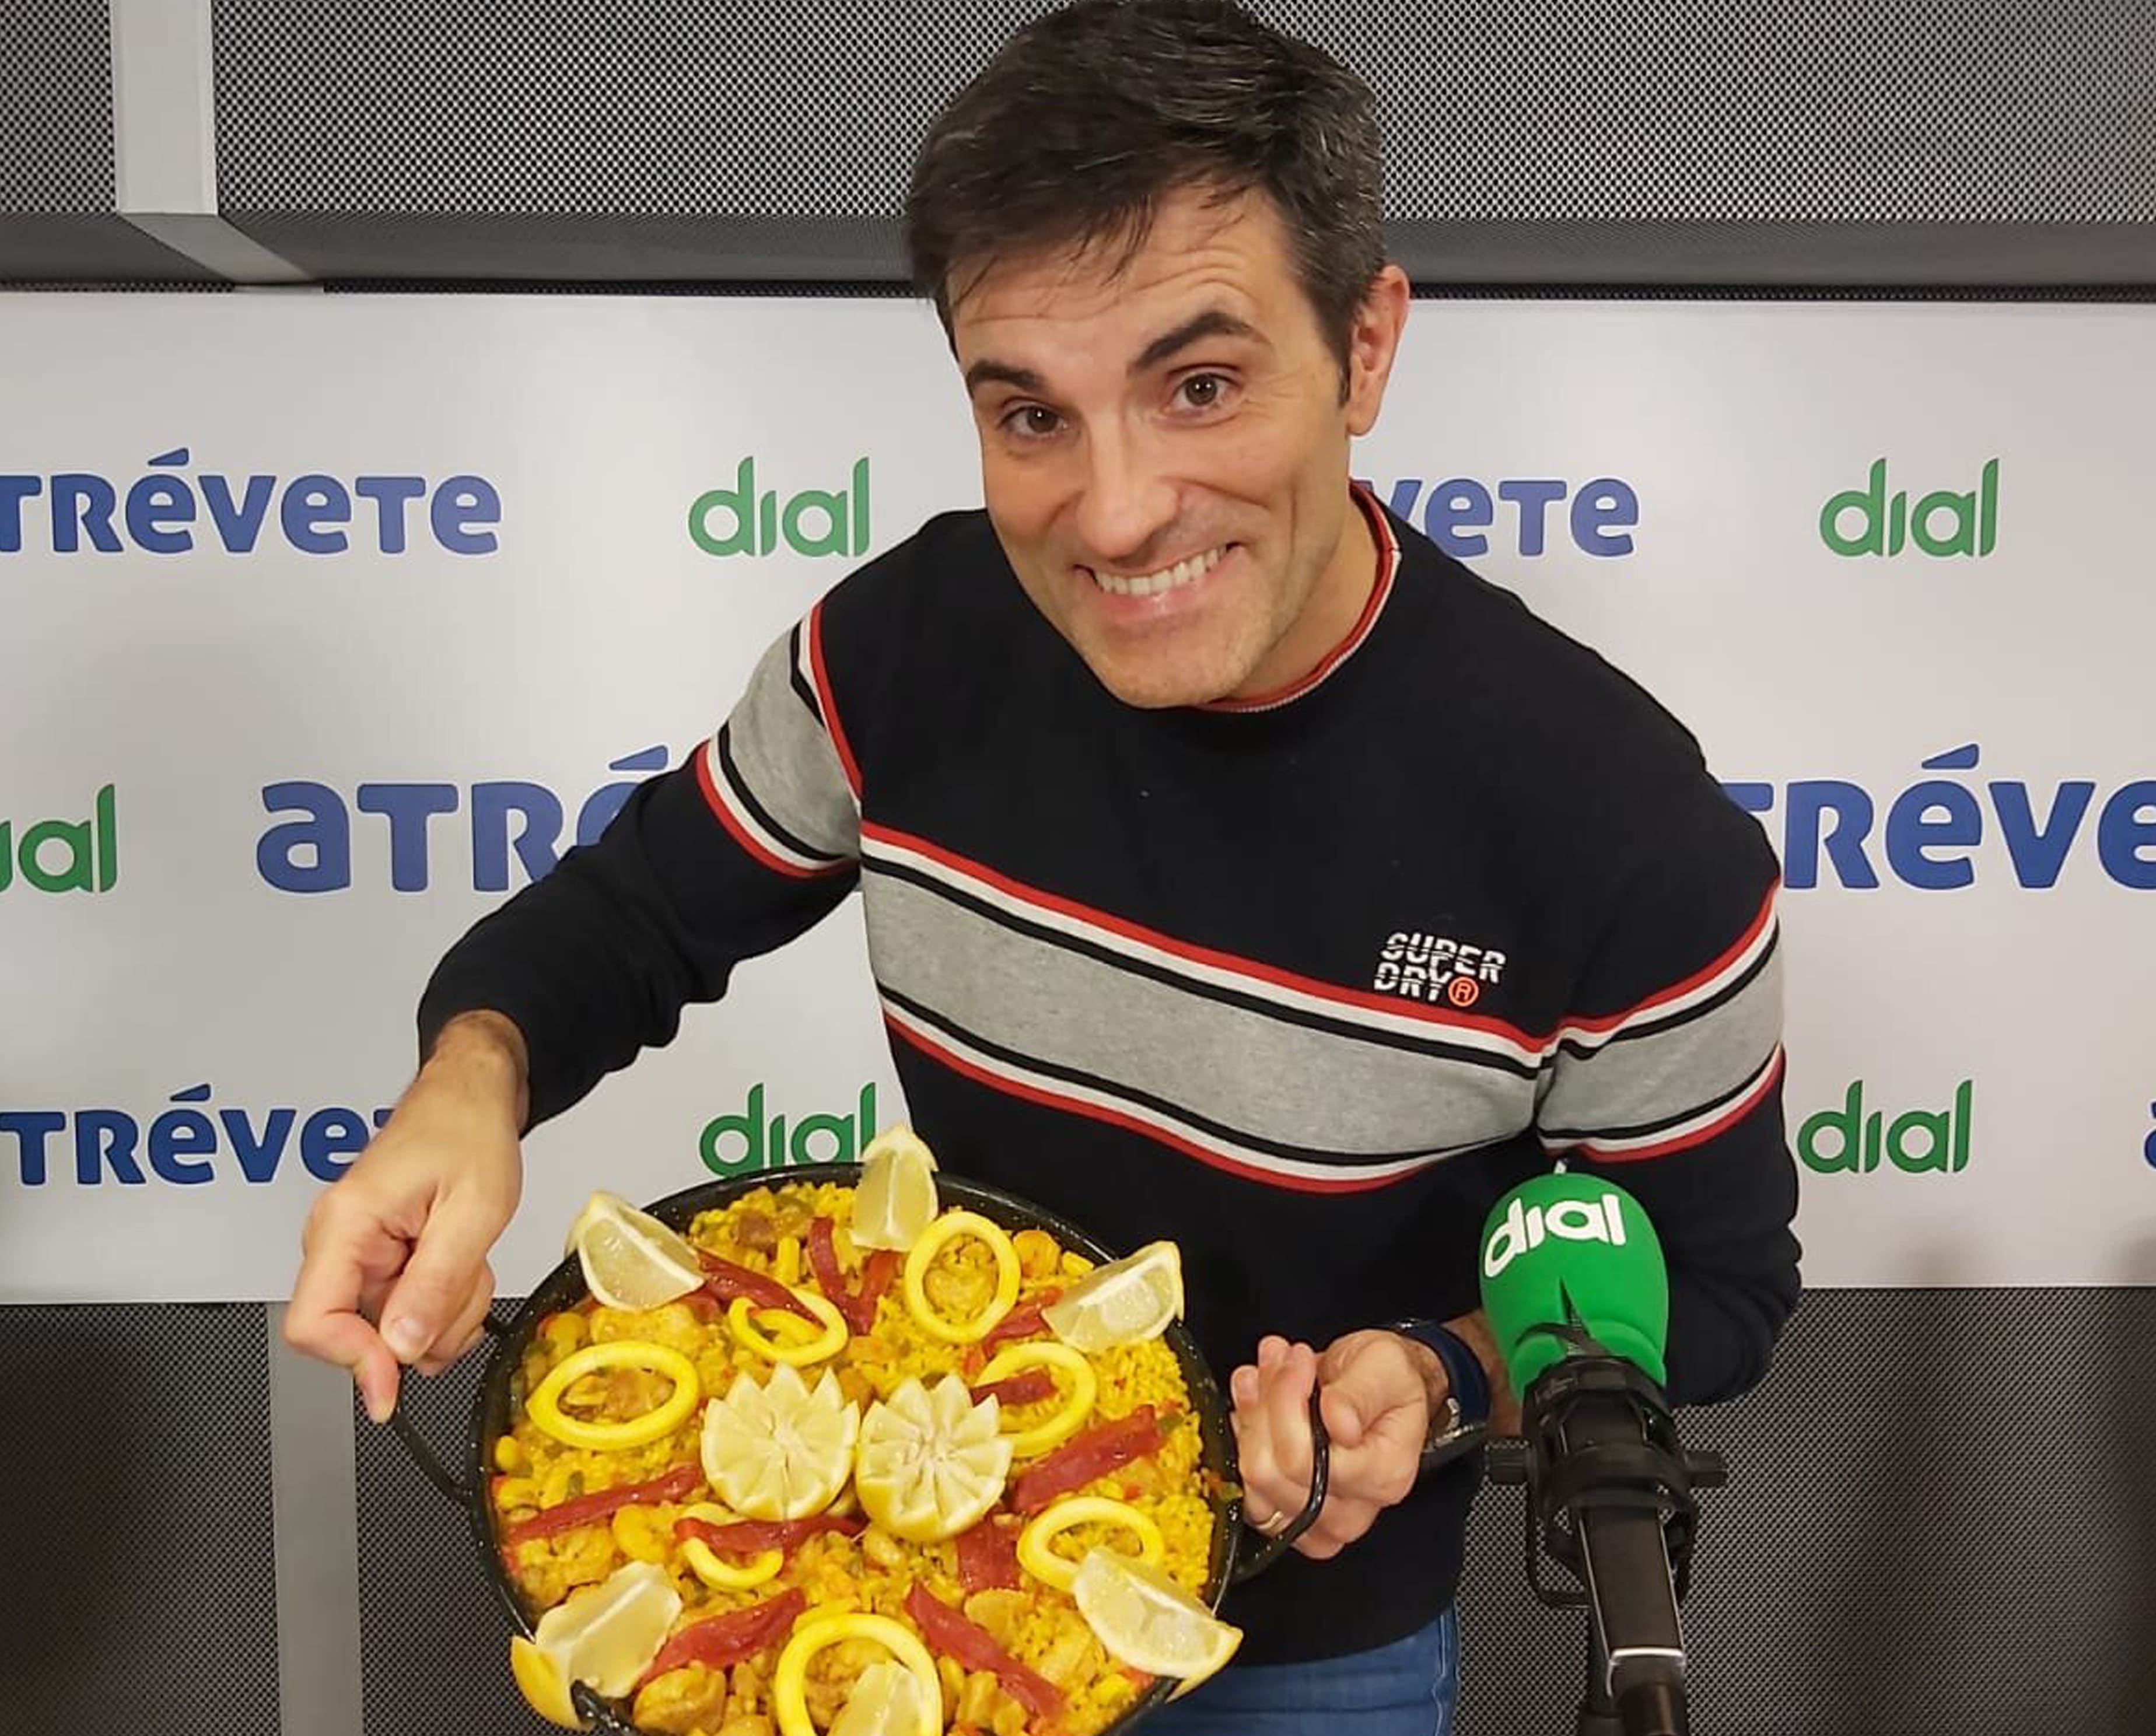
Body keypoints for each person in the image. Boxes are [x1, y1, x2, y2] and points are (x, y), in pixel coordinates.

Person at [284, 2, 1801, 1731]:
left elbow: (1720, 1283)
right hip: (898, 1608)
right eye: (1031, 416)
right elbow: (631, 917)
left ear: (1366, 347)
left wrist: (1443, 1377)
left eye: (1200, 386)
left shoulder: (1620, 828)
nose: (1118, 511)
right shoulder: (899, 648)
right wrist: (468, 1085)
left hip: (1317, 1642)